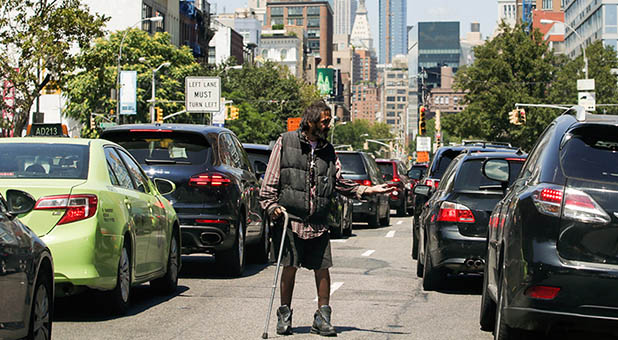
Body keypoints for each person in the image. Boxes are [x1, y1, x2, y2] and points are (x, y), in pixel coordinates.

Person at [259, 100, 393, 337]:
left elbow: (338, 181)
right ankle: (284, 315)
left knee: (322, 269)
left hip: (318, 220)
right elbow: (269, 182)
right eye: (325, 121)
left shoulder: (328, 150)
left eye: (329, 121)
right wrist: (272, 207)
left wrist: (367, 190)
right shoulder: (285, 142)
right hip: (291, 219)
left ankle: (322, 316)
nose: (328, 125)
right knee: (290, 267)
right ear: (310, 122)